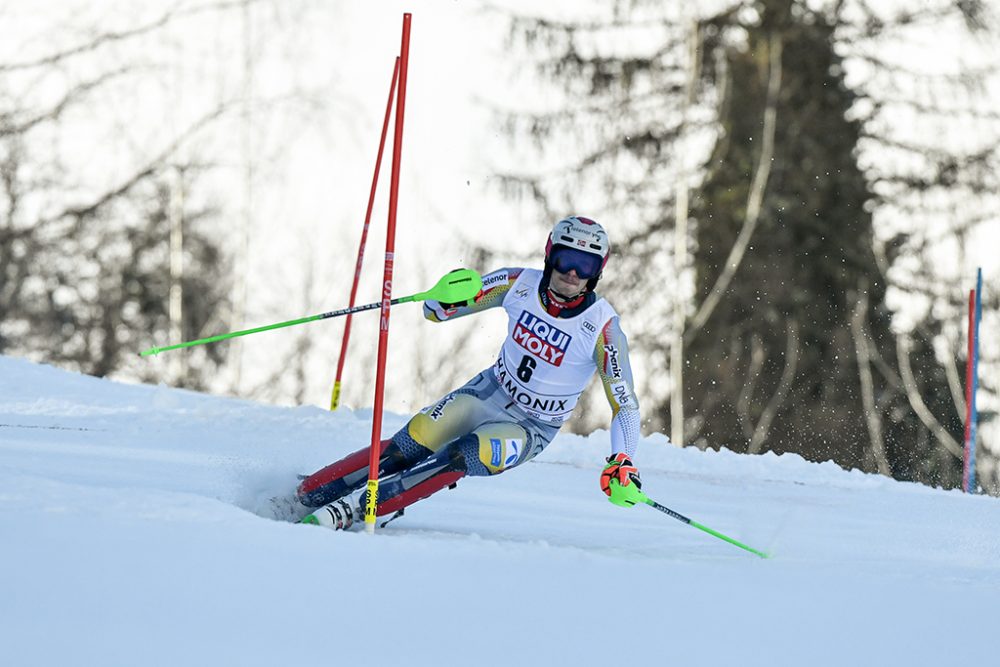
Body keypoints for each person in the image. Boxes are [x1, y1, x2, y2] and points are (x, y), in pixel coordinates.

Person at [293, 215, 643, 530]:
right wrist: (443, 296)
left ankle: (355, 510)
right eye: (568, 259)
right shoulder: (517, 283)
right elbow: (436, 312)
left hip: (531, 426)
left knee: (464, 455)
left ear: (598, 271)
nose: (573, 273)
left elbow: (625, 404)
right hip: (487, 393)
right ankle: (309, 492)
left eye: (586, 265)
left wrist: (623, 458)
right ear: (551, 255)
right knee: (413, 440)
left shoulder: (603, 329)